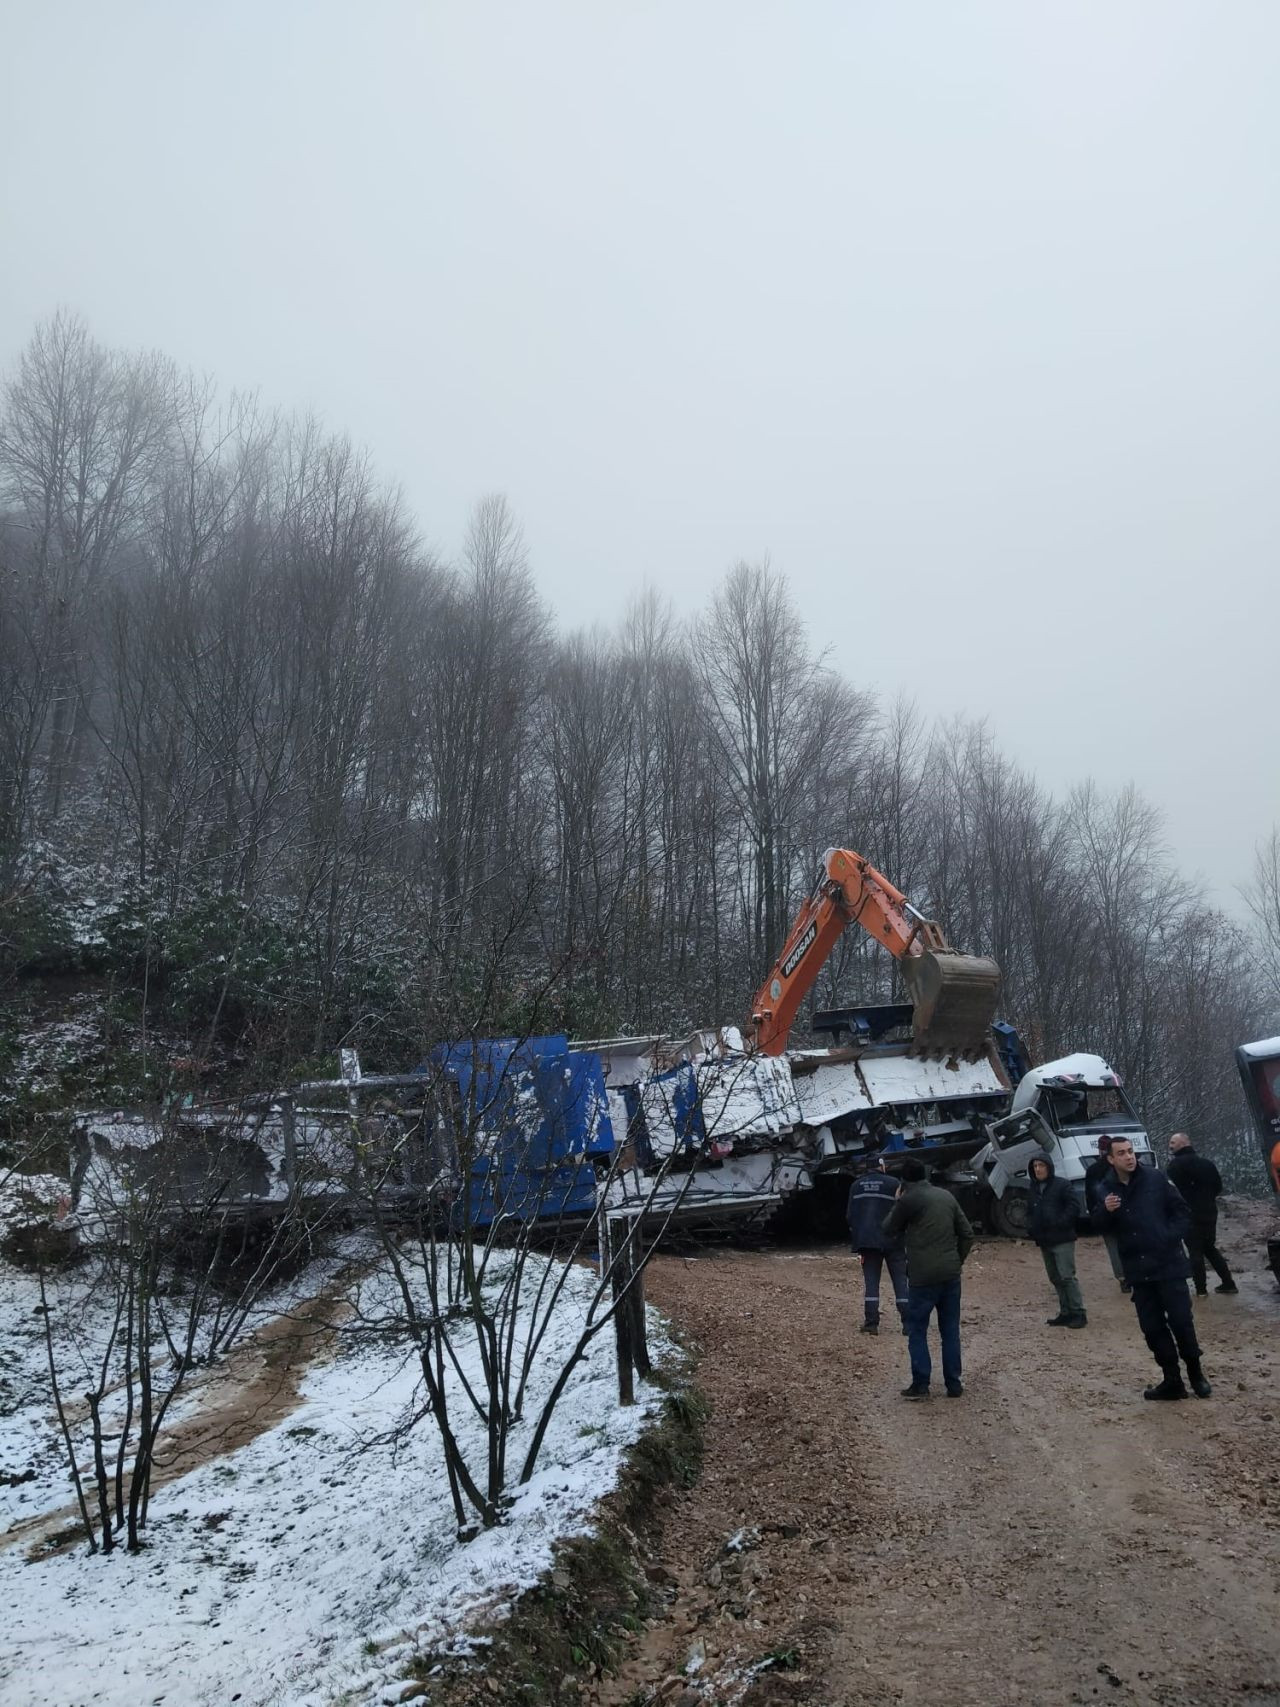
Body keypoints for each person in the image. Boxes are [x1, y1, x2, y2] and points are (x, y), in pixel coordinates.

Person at [1091, 1136, 1211, 1400]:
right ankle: (1172, 1381)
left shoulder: (1155, 1179)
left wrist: (1169, 1237)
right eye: (1121, 1153)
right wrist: (1105, 1211)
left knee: (1181, 1322)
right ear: (1110, 1159)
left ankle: (1196, 1375)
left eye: (1130, 1151)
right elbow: (1098, 1226)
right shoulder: (1106, 1189)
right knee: (1152, 1328)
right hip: (1138, 1271)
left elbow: (1182, 1211)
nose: (1129, 1157)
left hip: (1168, 1265)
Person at [882, 1156, 974, 1400]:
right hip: (950, 1275)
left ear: (904, 1180)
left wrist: (897, 1200)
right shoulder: (946, 1196)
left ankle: (921, 1384)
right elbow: (967, 1233)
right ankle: (953, 1384)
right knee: (950, 1331)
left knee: (917, 1330)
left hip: (922, 1278)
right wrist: (957, 1260)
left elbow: (888, 1228)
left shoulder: (908, 1200)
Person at [1166, 1132, 1237, 1297]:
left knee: (1195, 1251)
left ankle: (1201, 1289)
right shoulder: (1207, 1164)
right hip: (1210, 1212)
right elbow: (1218, 1187)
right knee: (1209, 1248)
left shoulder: (1175, 1166)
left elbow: (1173, 1192)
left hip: (1189, 1213)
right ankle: (1228, 1283)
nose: (1170, 1146)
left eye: (1173, 1142)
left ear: (1183, 1143)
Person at [846, 1158, 908, 1336]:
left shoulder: (856, 1186)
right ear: (882, 1166)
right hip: (893, 1241)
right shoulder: (894, 1184)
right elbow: (903, 1211)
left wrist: (859, 1233)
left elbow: (850, 1215)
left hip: (867, 1242)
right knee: (900, 1281)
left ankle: (871, 1323)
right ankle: (908, 1323)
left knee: (871, 1282)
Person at [1027, 1151, 1086, 1327]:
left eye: (1041, 1165)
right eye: (1035, 1166)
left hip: (1062, 1238)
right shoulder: (1033, 1188)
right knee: (1055, 1277)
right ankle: (1065, 1312)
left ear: (1049, 1167)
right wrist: (1031, 1228)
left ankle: (1078, 1312)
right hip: (1044, 1239)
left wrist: (1060, 1223)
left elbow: (1074, 1207)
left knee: (1067, 1276)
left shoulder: (1062, 1185)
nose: (1038, 1169)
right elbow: (1030, 1211)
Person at [1083, 1136, 1129, 1292]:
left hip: (1104, 1213)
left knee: (1113, 1247)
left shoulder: (1093, 1170)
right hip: (1124, 1212)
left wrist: (1094, 1214)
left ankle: (1122, 1278)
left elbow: (1089, 1195)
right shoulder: (1121, 1166)